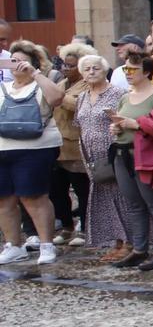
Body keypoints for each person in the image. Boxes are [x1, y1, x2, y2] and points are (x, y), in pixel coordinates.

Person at [0, 41, 68, 267]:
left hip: (35, 148)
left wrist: (35, 74)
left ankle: (47, 244)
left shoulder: (42, 84)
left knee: (33, 196)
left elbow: (57, 98)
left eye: (23, 61)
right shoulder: (3, 88)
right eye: (14, 60)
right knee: (4, 199)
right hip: (3, 148)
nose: (18, 65)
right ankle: (13, 245)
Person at [108, 55, 153, 270]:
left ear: (146, 72)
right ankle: (139, 249)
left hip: (146, 156)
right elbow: (122, 120)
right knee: (134, 204)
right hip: (122, 154)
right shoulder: (126, 97)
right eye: (126, 69)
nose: (128, 73)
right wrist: (117, 127)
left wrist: (134, 124)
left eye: (133, 69)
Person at [64, 54, 128, 259]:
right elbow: (80, 124)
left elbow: (124, 120)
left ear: (105, 71)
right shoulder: (82, 96)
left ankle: (129, 242)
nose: (91, 72)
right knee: (104, 197)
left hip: (111, 152)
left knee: (121, 196)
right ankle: (115, 241)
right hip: (90, 155)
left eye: (96, 68)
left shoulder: (118, 93)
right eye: (87, 69)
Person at [51, 44, 90, 247]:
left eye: (71, 66)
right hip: (56, 144)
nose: (66, 69)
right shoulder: (62, 83)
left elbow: (76, 105)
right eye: (64, 65)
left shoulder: (87, 85)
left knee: (81, 189)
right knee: (57, 189)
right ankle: (67, 226)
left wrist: (59, 97)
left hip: (75, 146)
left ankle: (84, 227)